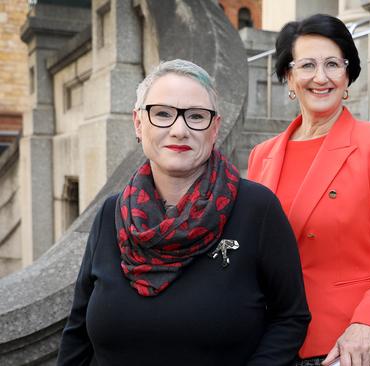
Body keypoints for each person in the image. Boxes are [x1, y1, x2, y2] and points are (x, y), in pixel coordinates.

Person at [57, 59, 310, 366]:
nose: (180, 130)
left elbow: (290, 317)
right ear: (138, 123)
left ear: (214, 128)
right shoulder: (111, 214)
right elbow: (78, 333)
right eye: (162, 114)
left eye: (196, 116)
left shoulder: (257, 208)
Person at [247, 14, 370, 366]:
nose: (321, 77)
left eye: (333, 64)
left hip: (349, 345)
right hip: (271, 345)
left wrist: (369, 321)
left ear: (348, 75)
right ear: (288, 77)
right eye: (307, 65)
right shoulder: (261, 156)